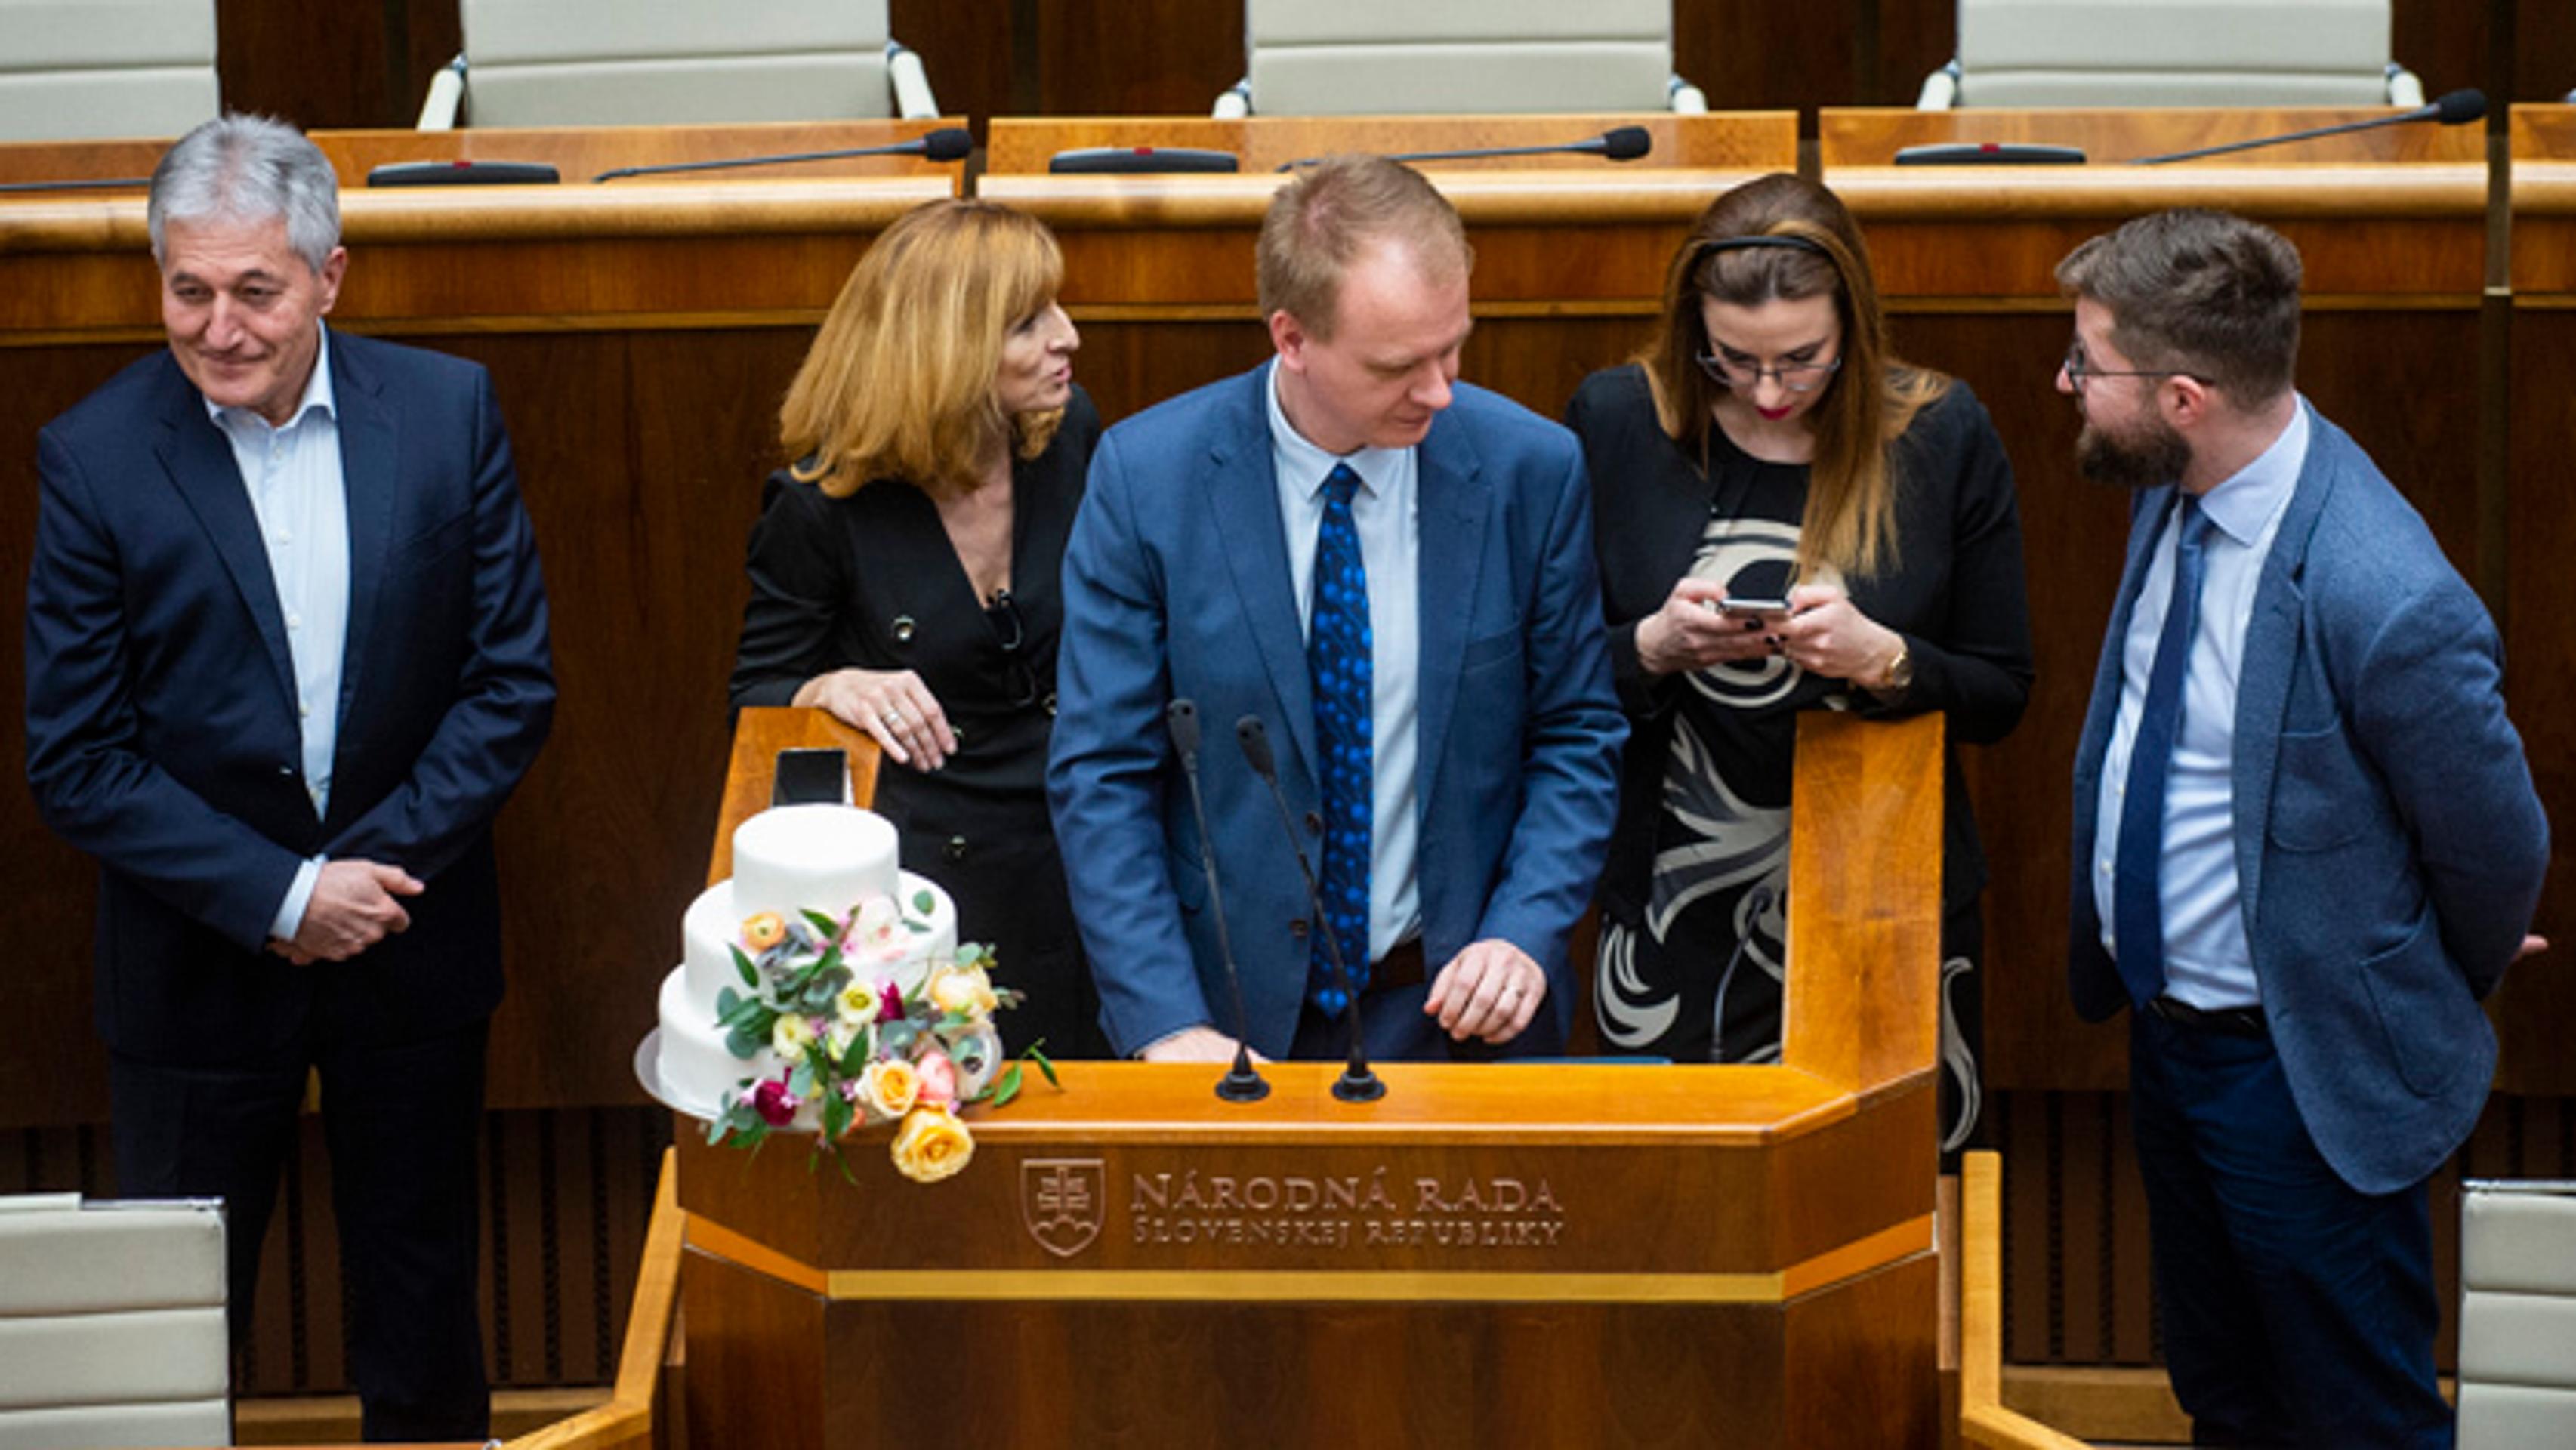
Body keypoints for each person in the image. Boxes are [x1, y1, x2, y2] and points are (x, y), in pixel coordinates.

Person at [23, 114, 554, 1441]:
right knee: (178, 1320)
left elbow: (510, 684)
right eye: (187, 288)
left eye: (254, 289)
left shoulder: (445, 415)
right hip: (196, 964)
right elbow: (77, 756)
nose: (218, 326)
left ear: (329, 277)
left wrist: (360, 884)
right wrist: (282, 895)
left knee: (422, 1297)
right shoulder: (92, 459)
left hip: (408, 938)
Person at [2057, 208, 2547, 1448]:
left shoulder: (2380, 593)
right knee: (2223, 1395)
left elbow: (2496, 845)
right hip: (2170, 1044)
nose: (2065, 384)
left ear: (2180, 396)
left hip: (2300, 1073)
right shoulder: (2176, 489)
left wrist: (2431, 974)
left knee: (2352, 1417)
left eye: (2086, 366)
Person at [1048, 153, 1625, 1063]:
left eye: (1453, 347)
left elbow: (1577, 735)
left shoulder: (1530, 471)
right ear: (1292, 339)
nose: (1439, 389)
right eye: (1400, 364)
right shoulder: (1146, 479)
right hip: (1219, 1023)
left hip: (1455, 1018)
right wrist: (1163, 1020)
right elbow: (1102, 775)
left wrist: (1523, 930)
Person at [1566, 174, 2031, 1137]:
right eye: (1734, 360)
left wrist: (1883, 658)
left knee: (1892, 1208)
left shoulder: (1940, 434)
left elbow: (2003, 691)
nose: (1768, 391)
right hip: (1672, 908)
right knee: (1677, 1208)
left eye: (1801, 360)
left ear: (1853, 329)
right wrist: (1655, 645)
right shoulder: (1619, 421)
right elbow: (1554, 677)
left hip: (1882, 909)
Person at [730, 199, 1106, 1060]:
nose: (1068, 336)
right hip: (936, 887)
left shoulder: (1069, 436)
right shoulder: (822, 504)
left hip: (1078, 849)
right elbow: (753, 700)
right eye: (1027, 323)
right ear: (949, 345)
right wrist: (833, 685)